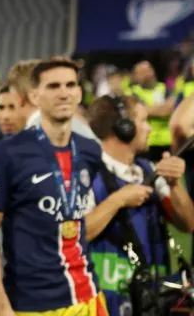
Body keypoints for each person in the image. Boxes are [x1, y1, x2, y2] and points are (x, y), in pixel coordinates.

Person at [0, 58, 106, 316]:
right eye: (54, 86)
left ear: (79, 93)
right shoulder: (5, 155)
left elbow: (81, 220)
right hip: (31, 302)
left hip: (88, 295)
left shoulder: (90, 150)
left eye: (70, 85)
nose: (64, 93)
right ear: (34, 95)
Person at [85, 95, 194, 316]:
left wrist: (175, 185)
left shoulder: (149, 170)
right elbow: (80, 232)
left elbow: (188, 223)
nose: (149, 129)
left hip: (149, 296)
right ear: (124, 127)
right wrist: (118, 200)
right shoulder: (88, 173)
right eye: (143, 121)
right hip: (105, 297)